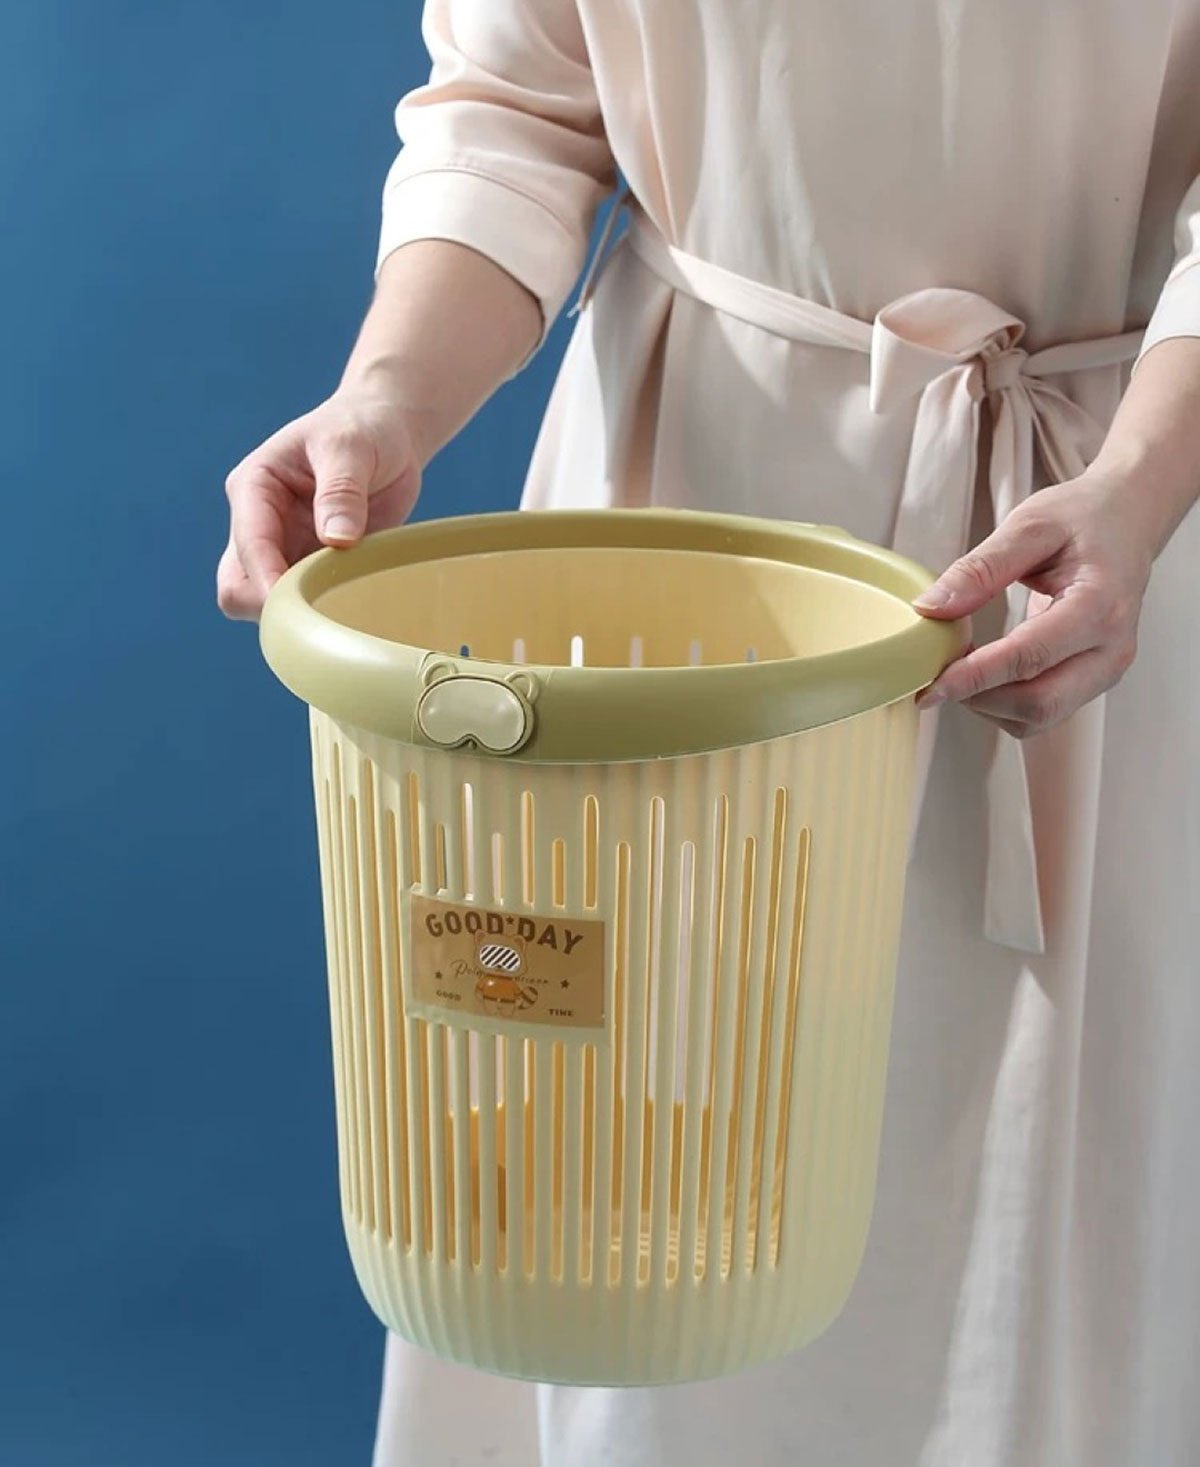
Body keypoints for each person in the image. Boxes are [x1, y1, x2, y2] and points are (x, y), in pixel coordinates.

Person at [218, 4, 1200, 1464]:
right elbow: (520, 106)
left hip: (1106, 526)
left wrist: (1143, 483)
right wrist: (388, 395)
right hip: (674, 539)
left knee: (1039, 1196)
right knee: (634, 1196)